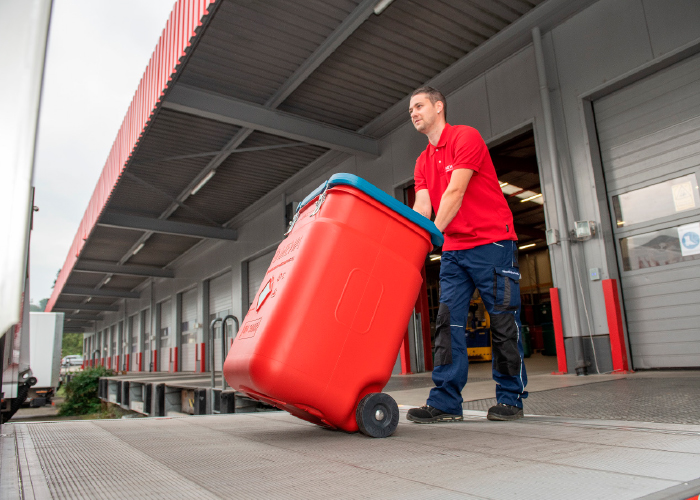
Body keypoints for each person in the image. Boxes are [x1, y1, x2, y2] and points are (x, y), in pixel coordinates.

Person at [407, 86, 528, 423]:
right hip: (454, 251)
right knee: (448, 323)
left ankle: (510, 399)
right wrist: (414, 240)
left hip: (492, 244)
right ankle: (445, 401)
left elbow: (456, 190)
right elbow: (422, 206)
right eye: (411, 110)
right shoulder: (422, 161)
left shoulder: (465, 137)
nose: (414, 113)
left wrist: (431, 237)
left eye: (419, 106)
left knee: (503, 320)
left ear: (439, 106)